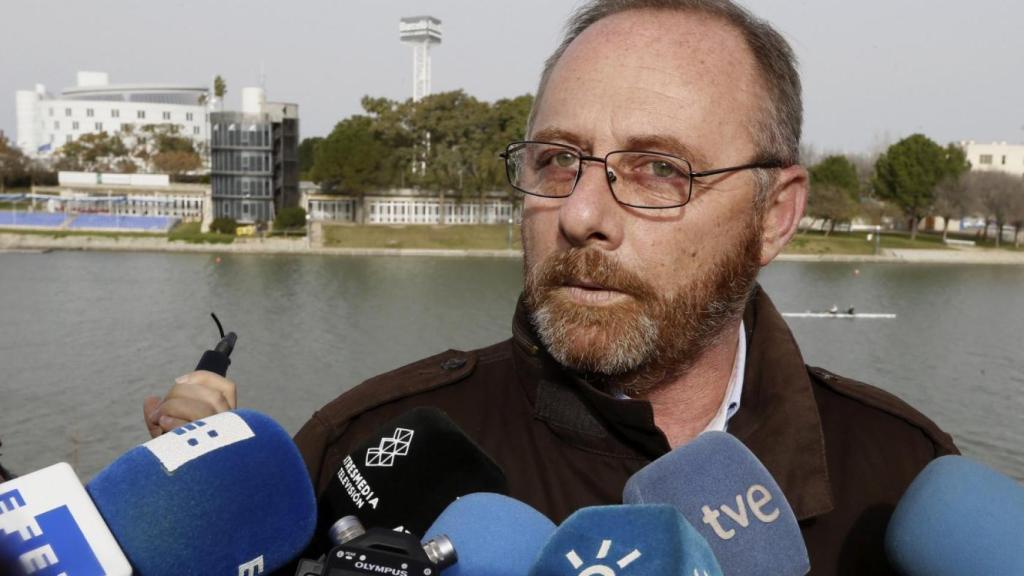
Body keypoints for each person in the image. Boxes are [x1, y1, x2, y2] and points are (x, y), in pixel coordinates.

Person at [144, 1, 957, 573]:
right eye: (557, 160)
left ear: (775, 215)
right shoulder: (361, 444)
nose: (581, 214)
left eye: (659, 169)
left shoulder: (904, 485)